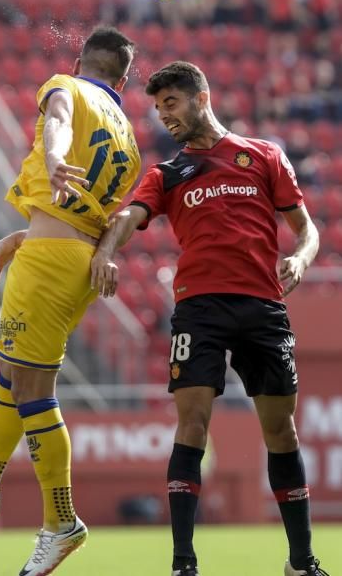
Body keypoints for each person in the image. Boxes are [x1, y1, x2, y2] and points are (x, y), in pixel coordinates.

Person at [90, 61, 329, 576]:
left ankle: (301, 562)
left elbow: (307, 231)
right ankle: (183, 564)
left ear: (201, 97)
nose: (163, 117)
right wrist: (107, 250)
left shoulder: (263, 155)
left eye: (170, 104)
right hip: (199, 306)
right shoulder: (169, 172)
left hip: (263, 304)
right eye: (156, 109)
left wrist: (301, 259)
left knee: (281, 431)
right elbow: (130, 216)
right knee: (192, 423)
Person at [0, 26, 141, 576]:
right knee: (17, 372)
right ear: (124, 78)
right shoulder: (128, 139)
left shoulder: (67, 88)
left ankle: (61, 522)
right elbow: (93, 219)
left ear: (80, 62)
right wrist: (21, 237)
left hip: (48, 267)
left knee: (35, 390)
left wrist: (50, 156)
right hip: (70, 261)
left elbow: (60, 123)